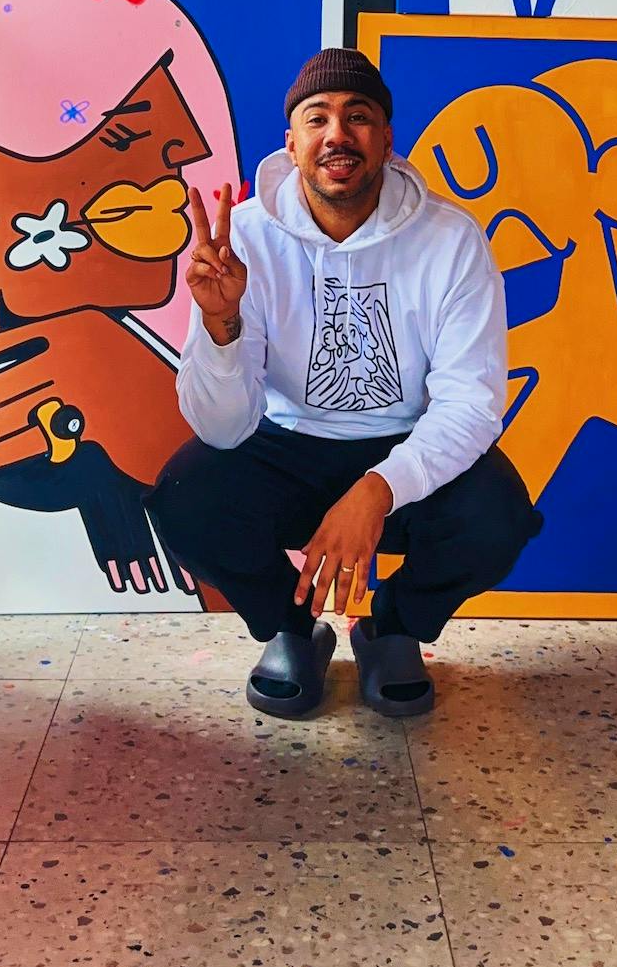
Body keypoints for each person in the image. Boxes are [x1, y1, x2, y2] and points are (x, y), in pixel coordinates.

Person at [146, 47, 541, 718]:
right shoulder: (244, 239)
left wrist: (378, 489)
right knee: (186, 501)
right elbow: (223, 429)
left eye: (358, 117)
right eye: (318, 118)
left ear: (386, 139)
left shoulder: (451, 240)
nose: (337, 134)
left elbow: (471, 405)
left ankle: (392, 630)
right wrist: (221, 325)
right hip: (286, 441)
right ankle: (293, 629)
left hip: (406, 442)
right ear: (292, 143)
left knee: (498, 517)